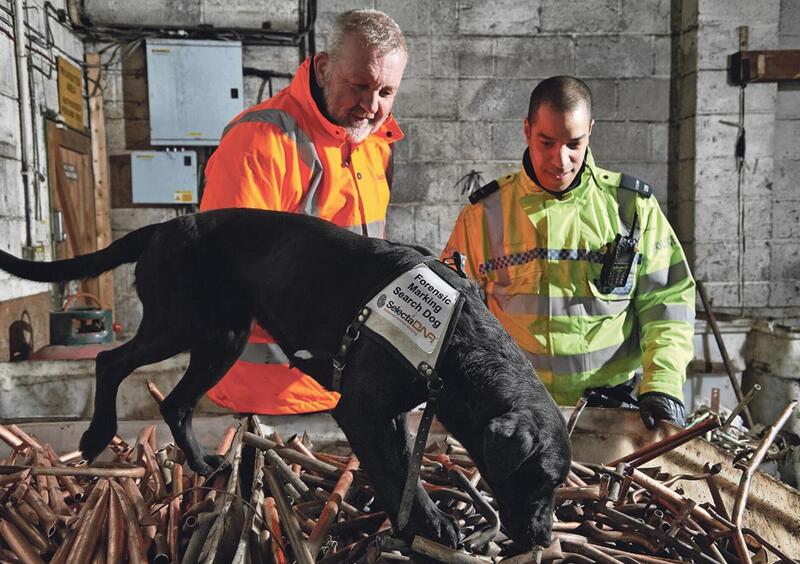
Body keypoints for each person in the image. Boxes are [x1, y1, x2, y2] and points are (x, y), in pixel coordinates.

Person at [442, 76, 695, 429]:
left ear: (590, 130)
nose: (560, 160)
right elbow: (453, 318)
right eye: (546, 142)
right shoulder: (483, 216)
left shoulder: (632, 209)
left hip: (611, 412)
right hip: (516, 411)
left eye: (574, 144)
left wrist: (664, 385)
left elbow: (668, 304)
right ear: (527, 130)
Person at [199, 9, 407, 414]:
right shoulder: (259, 142)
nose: (371, 105)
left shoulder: (375, 146)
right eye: (359, 85)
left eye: (386, 92)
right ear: (325, 67)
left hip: (344, 388)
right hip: (262, 398)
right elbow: (229, 280)